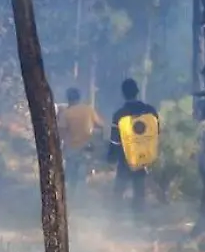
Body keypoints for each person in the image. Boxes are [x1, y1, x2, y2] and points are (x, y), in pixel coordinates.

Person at [106, 78, 159, 221]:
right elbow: (156, 132)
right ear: (137, 92)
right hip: (144, 156)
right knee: (139, 189)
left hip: (125, 157)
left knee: (119, 190)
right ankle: (139, 219)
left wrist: (111, 157)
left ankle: (114, 220)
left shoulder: (119, 114)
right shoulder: (150, 111)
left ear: (123, 94)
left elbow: (115, 140)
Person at [57, 87, 103, 193]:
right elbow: (100, 125)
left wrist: (59, 148)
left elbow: (61, 133)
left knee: (71, 175)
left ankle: (71, 196)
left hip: (71, 148)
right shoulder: (88, 109)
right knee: (83, 173)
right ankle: (82, 196)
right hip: (87, 147)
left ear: (68, 98)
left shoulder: (65, 114)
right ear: (79, 97)